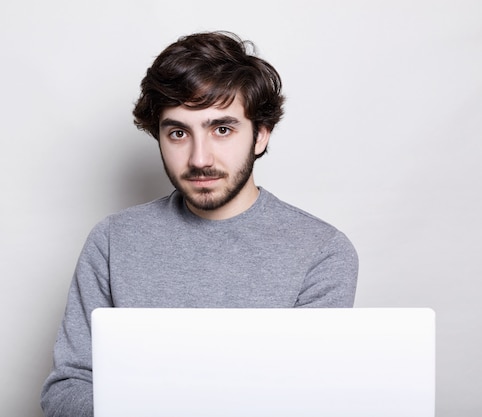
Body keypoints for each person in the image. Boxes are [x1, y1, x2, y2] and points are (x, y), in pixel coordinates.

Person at [41, 31, 358, 417]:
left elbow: (309, 400)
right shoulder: (113, 241)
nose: (198, 158)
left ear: (260, 135)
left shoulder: (321, 251)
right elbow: (68, 388)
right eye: (178, 132)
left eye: (221, 129)